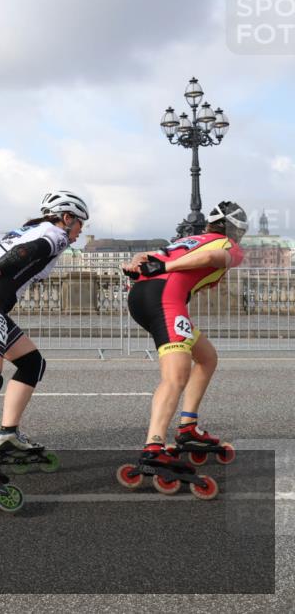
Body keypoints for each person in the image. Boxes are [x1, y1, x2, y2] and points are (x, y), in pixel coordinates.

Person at [0, 190, 88, 472]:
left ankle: (9, 434)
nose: (78, 235)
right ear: (67, 218)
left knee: (31, 362)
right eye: (80, 226)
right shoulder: (55, 234)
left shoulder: (24, 230)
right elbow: (26, 253)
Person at [121, 200, 246, 469]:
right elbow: (214, 259)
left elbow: (145, 257)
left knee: (206, 357)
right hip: (165, 300)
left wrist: (135, 263)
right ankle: (154, 446)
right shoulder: (228, 245)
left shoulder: (190, 239)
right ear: (235, 230)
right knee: (176, 375)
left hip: (143, 295)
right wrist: (165, 269)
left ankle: (188, 427)